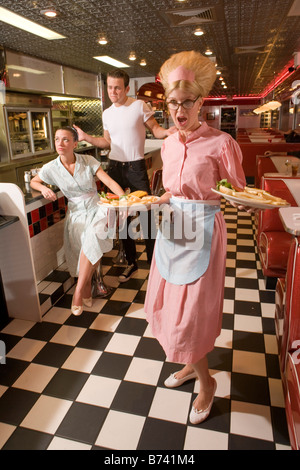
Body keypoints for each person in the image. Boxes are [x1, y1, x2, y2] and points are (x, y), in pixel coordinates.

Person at [144, 50, 249, 425]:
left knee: (192, 313)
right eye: (172, 103)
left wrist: (247, 204)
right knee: (172, 305)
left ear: (201, 102)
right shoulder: (169, 144)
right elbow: (173, 189)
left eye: (186, 101)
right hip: (173, 228)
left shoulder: (221, 143)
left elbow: (238, 191)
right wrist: (153, 201)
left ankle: (206, 383)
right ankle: (191, 364)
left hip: (204, 229)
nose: (178, 109)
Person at [73, 69, 176, 283]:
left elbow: (156, 129)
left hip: (136, 167)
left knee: (147, 217)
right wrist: (86, 138)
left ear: (127, 88)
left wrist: (167, 132)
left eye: (117, 87)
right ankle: (131, 263)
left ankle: (156, 266)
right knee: (122, 219)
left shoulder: (139, 106)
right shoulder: (107, 113)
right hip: (115, 168)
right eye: (110, 87)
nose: (113, 91)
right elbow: (106, 142)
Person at [30, 126, 124, 316]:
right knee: (88, 250)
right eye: (57, 139)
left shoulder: (88, 160)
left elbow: (109, 182)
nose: (60, 144)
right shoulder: (51, 168)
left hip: (97, 208)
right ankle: (87, 287)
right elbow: (34, 181)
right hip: (75, 214)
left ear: (74, 143)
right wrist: (42, 188)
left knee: (91, 239)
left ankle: (78, 293)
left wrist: (124, 200)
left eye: (65, 140)